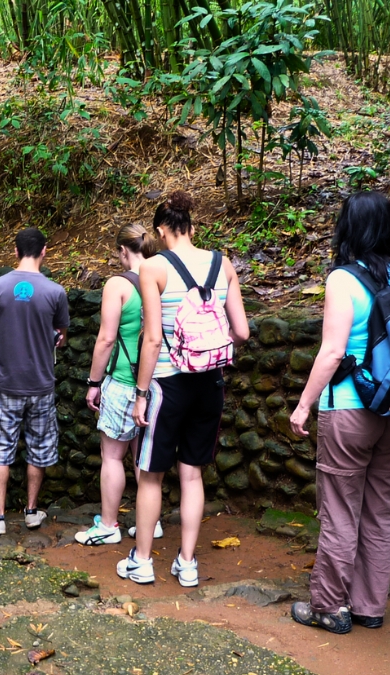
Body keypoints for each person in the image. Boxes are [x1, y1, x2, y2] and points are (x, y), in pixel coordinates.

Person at [287, 191, 390, 634]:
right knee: (382, 507)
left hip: (349, 409)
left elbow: (332, 352)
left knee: (340, 509)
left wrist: (303, 405)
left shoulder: (342, 280)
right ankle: (370, 605)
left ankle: (330, 606)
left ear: (347, 228)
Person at [122, 191, 250, 587]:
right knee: (192, 474)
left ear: (161, 231)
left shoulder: (153, 267)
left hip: (167, 383)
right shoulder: (222, 263)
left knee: (151, 475)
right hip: (210, 382)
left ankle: (143, 561)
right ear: (192, 227)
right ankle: (188, 563)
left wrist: (141, 393)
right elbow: (242, 332)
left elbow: (152, 339)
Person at [0, 228, 70, 536]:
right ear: (44, 251)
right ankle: (31, 512)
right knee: (39, 447)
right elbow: (61, 338)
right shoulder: (56, 292)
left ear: (15, 252)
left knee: (0, 448)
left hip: (6, 383)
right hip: (41, 383)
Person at [75, 224, 162, 546]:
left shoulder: (118, 284)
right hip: (156, 382)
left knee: (112, 456)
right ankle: (150, 523)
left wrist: (94, 382)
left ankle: (109, 525)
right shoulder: (163, 277)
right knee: (144, 457)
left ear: (123, 250)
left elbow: (106, 338)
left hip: (124, 380)